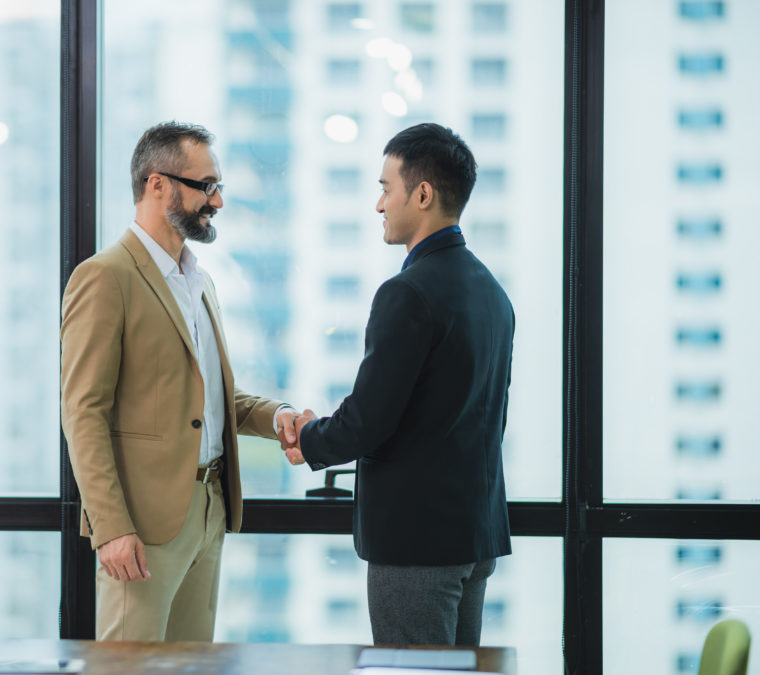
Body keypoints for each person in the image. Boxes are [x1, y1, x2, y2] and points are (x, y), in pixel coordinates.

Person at [61, 121, 300, 642]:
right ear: (157, 184)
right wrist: (112, 527)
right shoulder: (106, 277)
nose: (217, 202)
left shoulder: (200, 282)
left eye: (218, 187)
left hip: (209, 510)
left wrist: (277, 415)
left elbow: (211, 398)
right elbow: (83, 413)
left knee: (193, 666)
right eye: (206, 186)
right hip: (142, 525)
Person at [291, 123, 515, 647]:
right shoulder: (491, 292)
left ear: (422, 194)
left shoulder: (408, 293)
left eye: (385, 188)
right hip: (472, 536)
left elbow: (370, 419)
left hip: (417, 546)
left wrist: (309, 439)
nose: (379, 205)